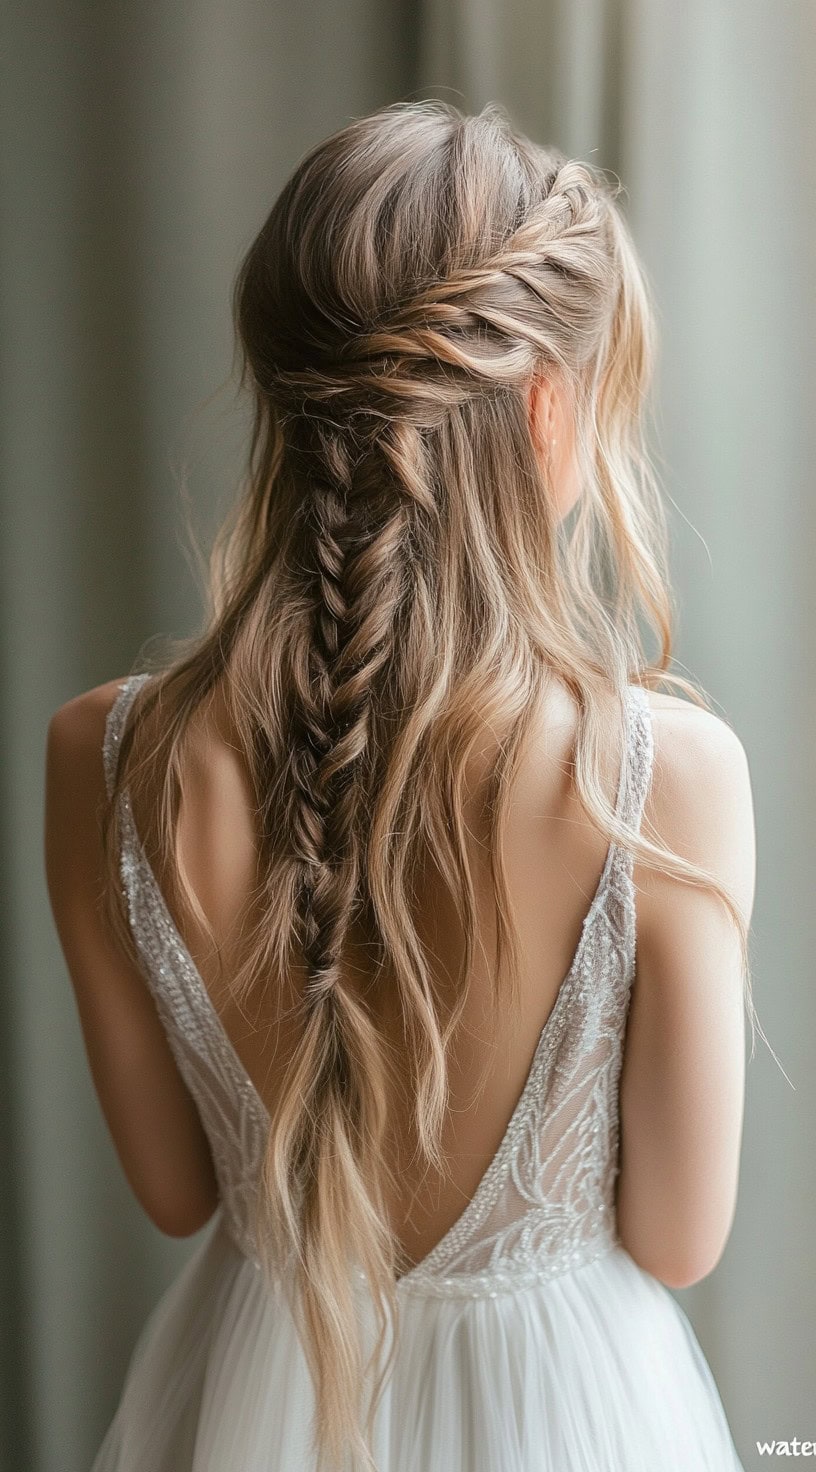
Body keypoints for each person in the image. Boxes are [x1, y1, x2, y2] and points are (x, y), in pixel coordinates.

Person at [44, 99, 757, 1472]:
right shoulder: (666, 778)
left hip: (251, 1393)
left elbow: (178, 1195)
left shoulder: (104, 759)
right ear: (552, 407)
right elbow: (679, 1236)